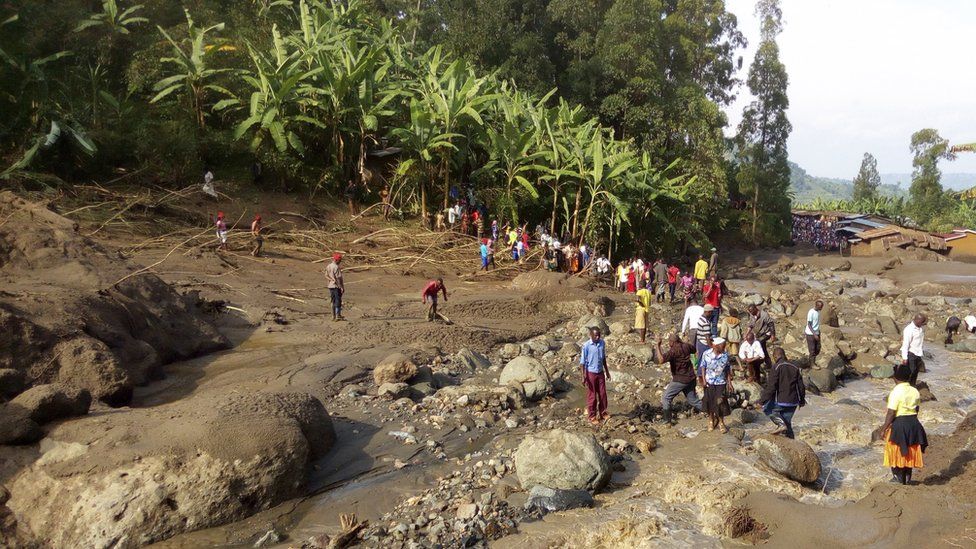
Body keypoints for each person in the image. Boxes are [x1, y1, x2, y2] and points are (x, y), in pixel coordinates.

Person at [878, 363, 927, 485]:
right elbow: (916, 409)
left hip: (900, 423)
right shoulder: (915, 391)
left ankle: (897, 478)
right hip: (914, 423)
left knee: (894, 449)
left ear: (895, 378)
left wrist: (884, 428)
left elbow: (891, 412)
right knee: (910, 449)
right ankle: (908, 478)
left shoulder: (896, 391)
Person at [657, 333, 702, 424]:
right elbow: (694, 350)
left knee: (666, 397)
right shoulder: (686, 346)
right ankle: (711, 410)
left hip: (680, 380)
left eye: (669, 342)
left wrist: (658, 345)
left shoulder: (673, 351)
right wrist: (685, 342)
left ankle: (667, 420)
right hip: (691, 378)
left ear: (672, 342)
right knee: (693, 400)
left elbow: (661, 360)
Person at [761, 347, 806, 439]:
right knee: (787, 423)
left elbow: (771, 387)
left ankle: (780, 424)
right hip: (793, 401)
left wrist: (762, 400)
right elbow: (801, 386)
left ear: (775, 356)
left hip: (781, 399)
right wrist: (801, 400)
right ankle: (792, 443)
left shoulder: (777, 367)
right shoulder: (795, 367)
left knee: (767, 408)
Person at [698, 337, 732, 433]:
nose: (724, 347)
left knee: (720, 402)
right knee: (709, 402)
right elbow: (703, 367)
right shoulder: (706, 354)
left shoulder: (725, 355)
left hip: (721, 382)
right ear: (716, 346)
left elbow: (727, 369)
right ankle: (711, 421)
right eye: (723, 345)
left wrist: (729, 383)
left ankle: (721, 422)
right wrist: (703, 380)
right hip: (709, 382)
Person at [580, 327, 611, 425]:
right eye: (595, 335)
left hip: (600, 372)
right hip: (591, 373)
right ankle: (592, 416)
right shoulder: (586, 346)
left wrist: (607, 371)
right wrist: (583, 376)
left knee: (602, 394)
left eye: (599, 335)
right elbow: (582, 362)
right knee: (592, 396)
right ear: (591, 335)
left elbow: (603, 358)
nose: (597, 337)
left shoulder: (602, 343)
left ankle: (603, 412)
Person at [900, 313, 926, 387]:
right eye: (922, 322)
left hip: (918, 353)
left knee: (916, 371)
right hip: (911, 353)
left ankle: (913, 386)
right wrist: (904, 358)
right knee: (911, 372)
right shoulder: (909, 330)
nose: (923, 324)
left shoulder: (919, 328)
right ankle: (907, 388)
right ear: (917, 320)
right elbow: (906, 344)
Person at [748, 304, 777, 370]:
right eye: (750, 311)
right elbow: (751, 325)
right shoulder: (752, 315)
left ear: (755, 309)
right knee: (763, 348)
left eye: (751, 311)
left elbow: (771, 324)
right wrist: (747, 333)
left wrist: (773, 335)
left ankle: (759, 362)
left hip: (766, 333)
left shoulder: (764, 315)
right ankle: (767, 363)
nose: (751, 313)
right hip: (758, 333)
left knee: (758, 344)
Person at [326, 253, 345, 321]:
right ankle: (337, 316)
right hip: (336, 286)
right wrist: (341, 287)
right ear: (337, 260)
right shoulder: (336, 267)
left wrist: (331, 280)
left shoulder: (328, 266)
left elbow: (326, 275)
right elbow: (338, 278)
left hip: (330, 286)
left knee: (333, 300)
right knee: (338, 301)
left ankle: (333, 316)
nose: (340, 262)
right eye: (340, 260)